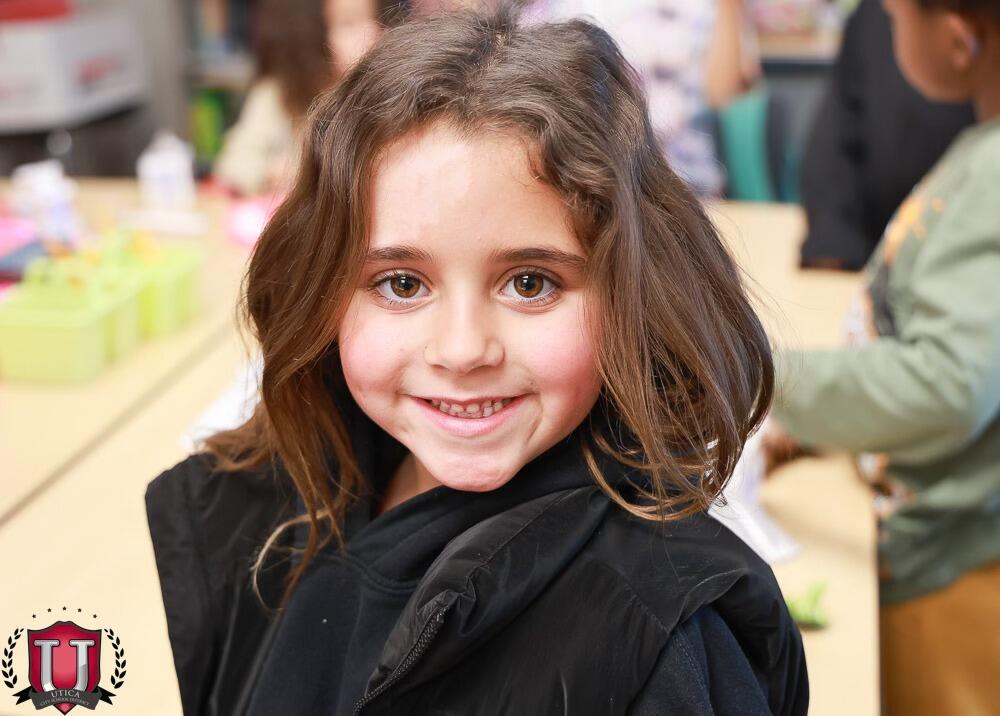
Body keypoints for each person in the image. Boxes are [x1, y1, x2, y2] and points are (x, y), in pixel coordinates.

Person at [147, 6, 808, 715]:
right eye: (402, 285)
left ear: (632, 295)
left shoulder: (655, 647)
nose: (463, 351)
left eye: (530, 283)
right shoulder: (279, 504)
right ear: (322, 292)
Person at [765, 0, 1000, 712]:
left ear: (959, 39)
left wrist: (768, 377)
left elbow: (950, 384)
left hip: (945, 576)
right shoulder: (981, 150)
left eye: (895, 17)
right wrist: (814, 422)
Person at [799, 0, 975, 271]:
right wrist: (832, 245)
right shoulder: (873, 18)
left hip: (957, 268)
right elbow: (834, 146)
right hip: (875, 258)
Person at [213, 0, 390, 196]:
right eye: (348, 24)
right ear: (310, 34)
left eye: (374, 18)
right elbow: (233, 167)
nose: (371, 33)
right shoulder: (277, 94)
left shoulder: (385, 94)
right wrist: (275, 172)